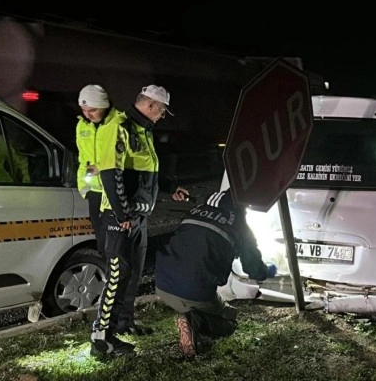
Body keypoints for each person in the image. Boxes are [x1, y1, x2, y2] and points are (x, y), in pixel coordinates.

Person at [90, 85, 191, 358]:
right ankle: (101, 340)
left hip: (138, 217)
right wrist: (122, 215)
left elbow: (145, 171)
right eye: (162, 111)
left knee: (132, 273)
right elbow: (110, 174)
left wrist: (170, 187)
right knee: (117, 275)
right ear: (151, 105)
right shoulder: (119, 127)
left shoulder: (142, 130)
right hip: (120, 218)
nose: (163, 116)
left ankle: (124, 323)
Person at [155, 189, 274, 358]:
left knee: (203, 298)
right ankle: (195, 322)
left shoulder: (194, 212)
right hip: (193, 290)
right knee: (229, 318)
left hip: (162, 283)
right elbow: (254, 269)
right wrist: (267, 271)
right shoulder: (239, 224)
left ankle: (190, 315)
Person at [76, 84, 119, 255]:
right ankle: (105, 267)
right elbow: (82, 158)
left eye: (92, 110)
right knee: (101, 240)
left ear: (104, 105)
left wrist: (101, 168)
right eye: (84, 110)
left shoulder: (118, 123)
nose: (87, 114)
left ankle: (117, 268)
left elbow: (127, 156)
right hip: (94, 192)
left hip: (113, 190)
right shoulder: (82, 125)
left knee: (116, 241)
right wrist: (84, 187)